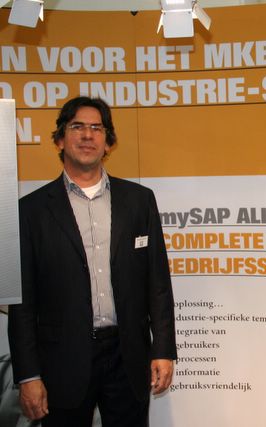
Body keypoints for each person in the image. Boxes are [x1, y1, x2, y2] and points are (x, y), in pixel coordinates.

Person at [8, 96, 177, 427]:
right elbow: (22, 302)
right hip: (62, 360)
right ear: (60, 139)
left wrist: (163, 350)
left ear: (108, 143)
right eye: (77, 127)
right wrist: (28, 374)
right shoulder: (30, 211)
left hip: (127, 356)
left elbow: (157, 283)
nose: (88, 135)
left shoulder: (139, 201)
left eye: (97, 128)